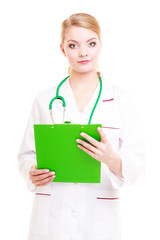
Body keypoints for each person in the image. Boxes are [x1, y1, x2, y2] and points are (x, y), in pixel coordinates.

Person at [18, 13, 145, 240]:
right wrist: (32, 172)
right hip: (50, 221)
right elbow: (26, 154)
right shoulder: (44, 100)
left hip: (100, 223)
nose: (83, 52)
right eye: (73, 45)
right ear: (63, 49)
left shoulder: (121, 101)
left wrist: (111, 159)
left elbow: (138, 164)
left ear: (100, 45)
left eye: (91, 43)